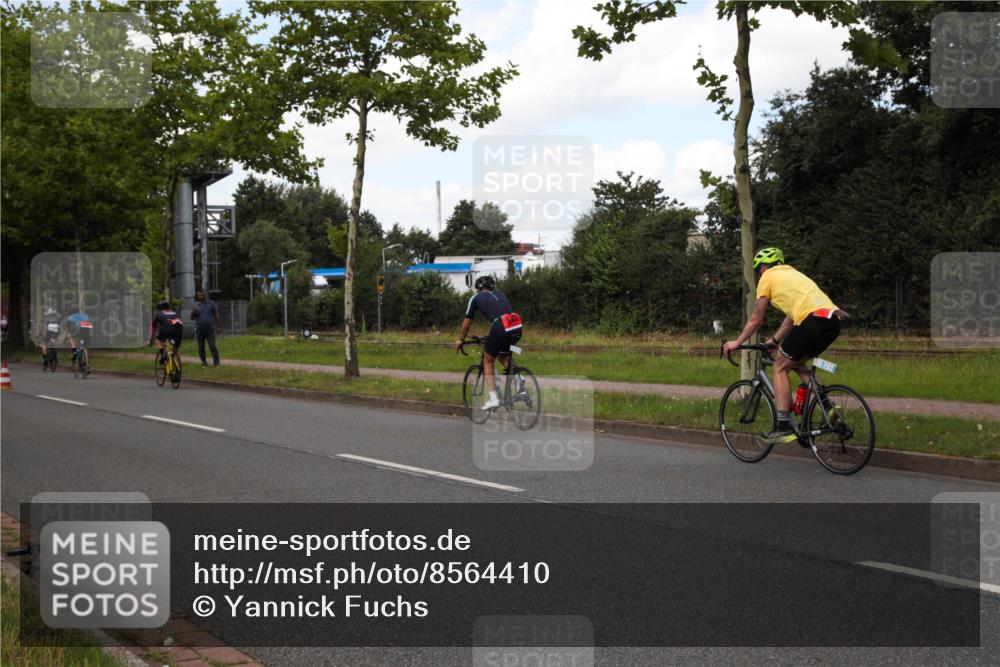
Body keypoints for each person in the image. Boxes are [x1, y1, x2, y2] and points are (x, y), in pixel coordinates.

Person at [722, 247, 846, 444]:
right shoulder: (794, 275)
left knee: (780, 366)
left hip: (811, 321)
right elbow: (791, 318)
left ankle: (783, 426)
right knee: (796, 362)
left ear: (761, 268)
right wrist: (775, 341)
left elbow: (756, 318)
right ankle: (829, 408)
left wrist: (737, 343)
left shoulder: (767, 278)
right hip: (832, 322)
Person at [455, 275, 523, 410]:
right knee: (502, 355)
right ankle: (518, 378)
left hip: (500, 327)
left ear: (477, 289)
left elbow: (467, 323)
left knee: (487, 360)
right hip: (516, 325)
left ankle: (493, 399)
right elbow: (501, 315)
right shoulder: (500, 294)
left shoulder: (475, 298)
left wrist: (461, 339)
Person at [191, 289, 221, 367]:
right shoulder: (196, 305)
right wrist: (193, 311)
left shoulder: (211, 304)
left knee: (212, 345)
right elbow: (192, 318)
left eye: (202, 295)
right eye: (199, 295)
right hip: (200, 329)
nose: (200, 297)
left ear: (205, 295)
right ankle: (204, 362)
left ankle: (216, 362)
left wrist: (218, 327)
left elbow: (216, 316)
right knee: (201, 347)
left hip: (209, 329)